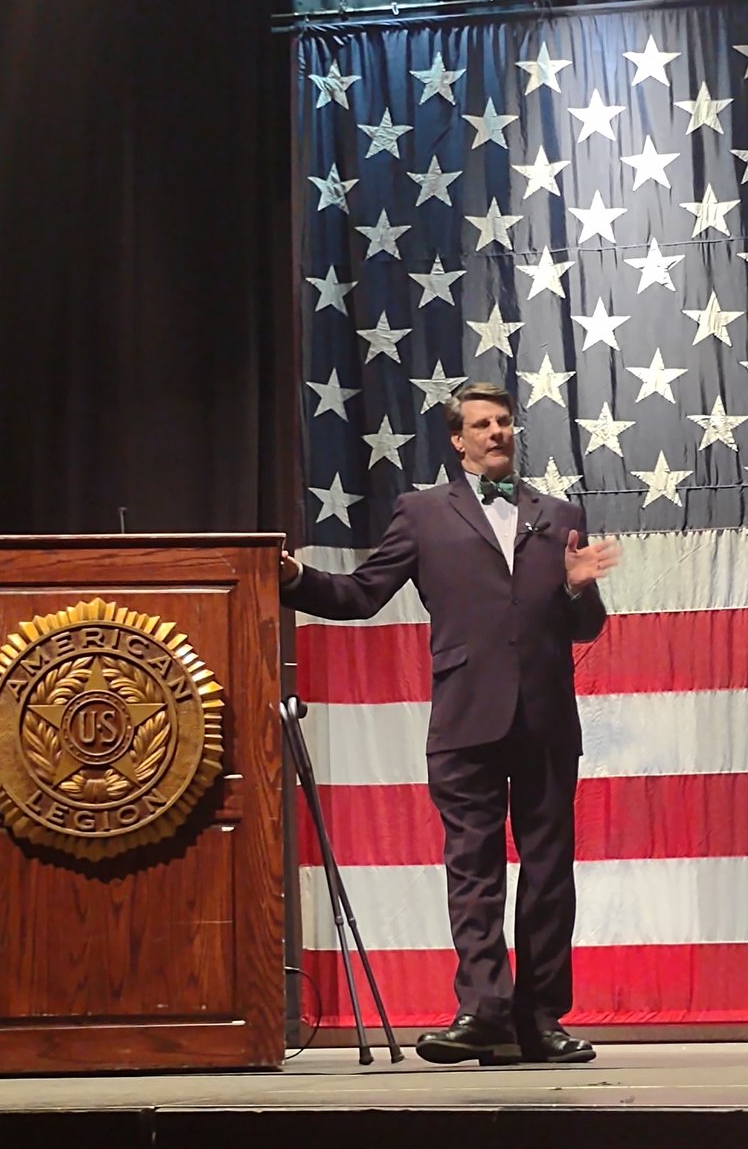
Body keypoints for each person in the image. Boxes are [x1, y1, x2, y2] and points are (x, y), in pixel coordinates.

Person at [280, 381, 620, 1066]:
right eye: (482, 424)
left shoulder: (556, 513)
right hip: (467, 718)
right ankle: (485, 1013)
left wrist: (580, 588)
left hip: (546, 718)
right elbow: (360, 594)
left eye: (504, 422)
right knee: (473, 868)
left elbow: (583, 628)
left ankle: (541, 1020)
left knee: (549, 871)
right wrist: (292, 578)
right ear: (458, 440)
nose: (497, 432)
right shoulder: (422, 513)